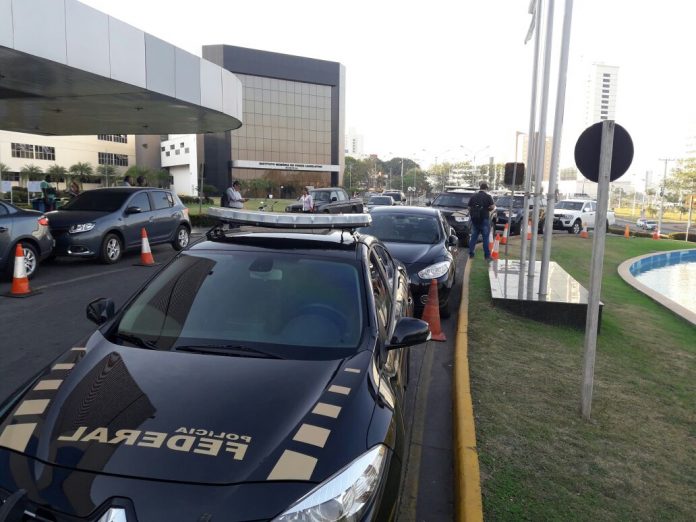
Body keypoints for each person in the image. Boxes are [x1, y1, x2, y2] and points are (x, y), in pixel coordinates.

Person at [468, 181, 496, 261]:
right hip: (484, 219)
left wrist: (473, 213)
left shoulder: (473, 196)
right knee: (485, 238)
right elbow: (493, 207)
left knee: (473, 237)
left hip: (475, 220)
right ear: (486, 189)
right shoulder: (488, 196)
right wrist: (488, 209)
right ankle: (487, 256)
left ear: (480, 188)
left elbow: (469, 207)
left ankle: (471, 254)